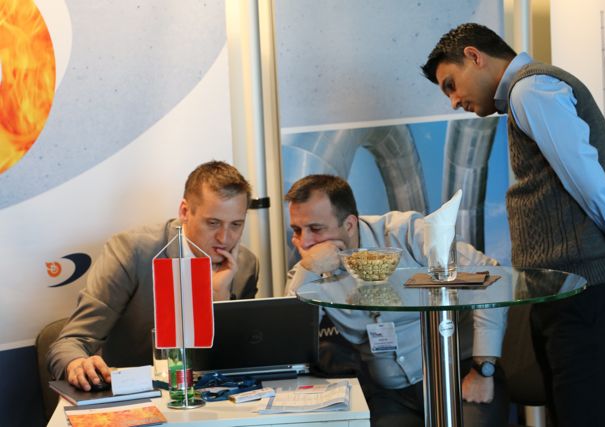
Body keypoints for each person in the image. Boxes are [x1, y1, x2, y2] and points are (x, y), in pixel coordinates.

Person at [422, 22, 605, 426]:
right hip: (567, 290)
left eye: (451, 84)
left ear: (474, 56)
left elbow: (590, 182)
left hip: (587, 290)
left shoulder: (531, 90)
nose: (453, 101)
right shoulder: (525, 94)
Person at [285, 174, 509, 427]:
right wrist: (309, 269)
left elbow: (491, 276)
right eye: (297, 230)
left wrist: (483, 368)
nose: (304, 242)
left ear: (349, 224)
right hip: (388, 395)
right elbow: (289, 344)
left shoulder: (406, 232)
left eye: (316, 229)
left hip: (460, 375)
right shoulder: (308, 271)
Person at [47, 160, 259, 391]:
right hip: (139, 394)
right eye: (213, 223)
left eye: (236, 224)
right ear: (185, 211)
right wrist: (77, 364)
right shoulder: (132, 251)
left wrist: (218, 297)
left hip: (213, 396)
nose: (224, 238)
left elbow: (237, 356)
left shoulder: (246, 265)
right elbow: (71, 342)